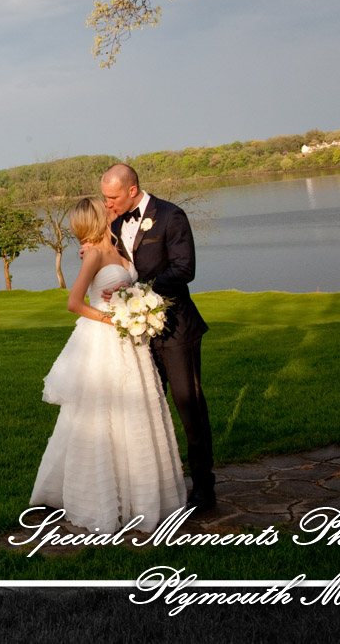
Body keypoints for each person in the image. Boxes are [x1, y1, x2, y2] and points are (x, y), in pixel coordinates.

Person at [30, 197, 186, 533]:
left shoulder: (116, 246)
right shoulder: (94, 254)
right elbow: (74, 303)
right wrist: (114, 319)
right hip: (105, 339)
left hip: (131, 342)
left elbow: (130, 283)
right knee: (102, 414)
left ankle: (141, 496)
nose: (110, 207)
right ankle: (97, 499)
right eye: (105, 206)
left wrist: (138, 305)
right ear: (97, 218)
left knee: (138, 411)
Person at [98, 163, 215, 511]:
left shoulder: (170, 216)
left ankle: (204, 485)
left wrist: (137, 290)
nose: (108, 204)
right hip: (136, 334)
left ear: (132, 190)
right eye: (105, 198)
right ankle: (159, 487)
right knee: (147, 408)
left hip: (176, 328)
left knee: (188, 404)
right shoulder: (114, 224)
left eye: (112, 197)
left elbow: (184, 269)